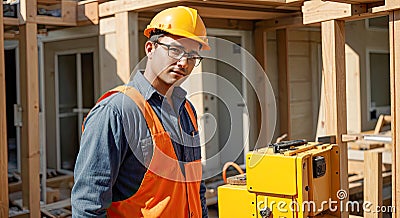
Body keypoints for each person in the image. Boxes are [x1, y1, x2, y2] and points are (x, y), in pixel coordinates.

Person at [71, 6, 210, 218]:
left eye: (192, 55)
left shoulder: (187, 110)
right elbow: (88, 204)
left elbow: (195, 186)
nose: (184, 62)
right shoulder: (115, 111)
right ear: (150, 48)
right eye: (175, 50)